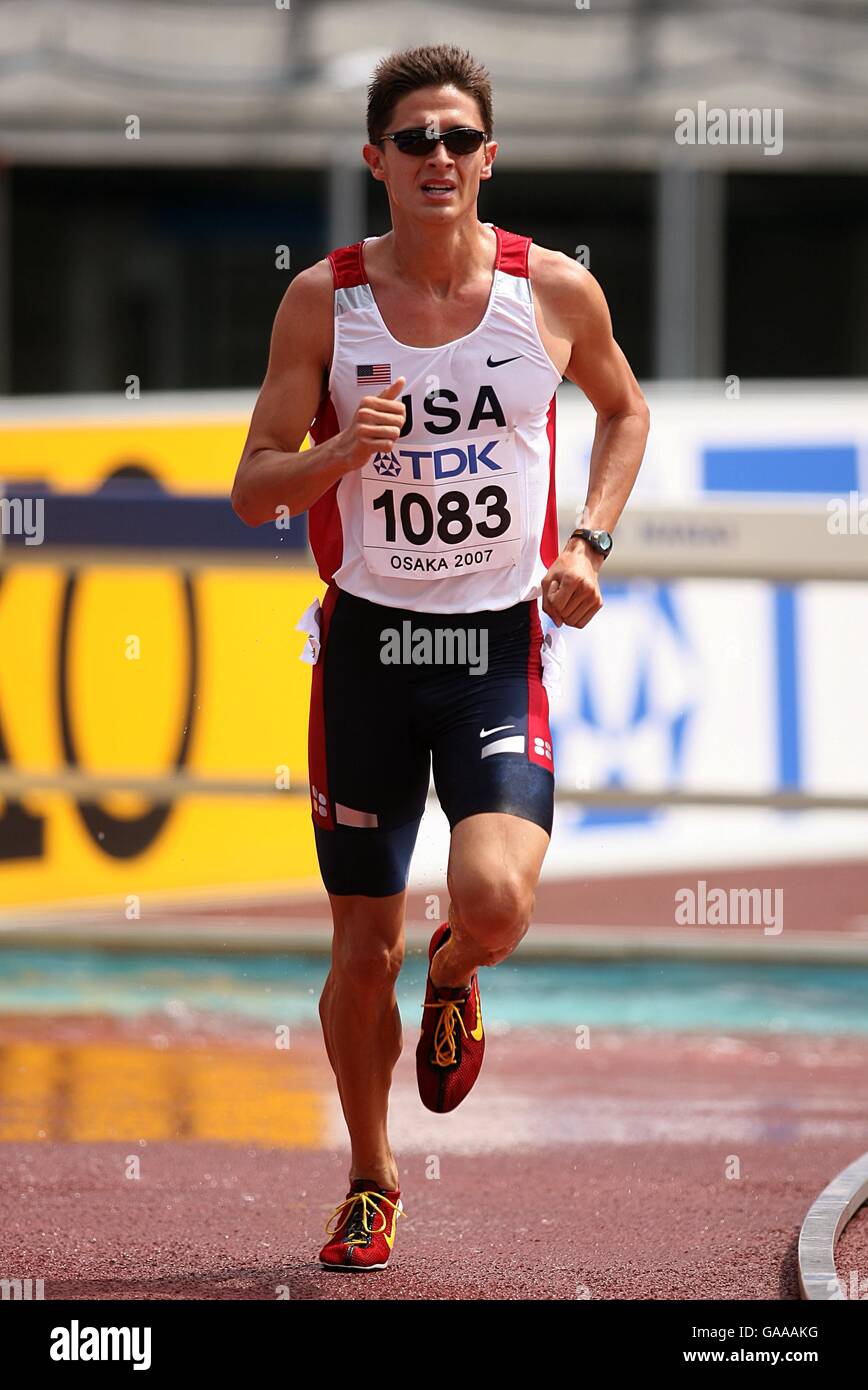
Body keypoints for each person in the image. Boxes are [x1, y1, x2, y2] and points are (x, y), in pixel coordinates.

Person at [231, 44, 649, 1272]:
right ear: (375, 160)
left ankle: (457, 970)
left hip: (491, 644)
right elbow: (254, 490)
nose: (437, 159)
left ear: (488, 158)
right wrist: (337, 455)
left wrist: (590, 541)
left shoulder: (553, 293)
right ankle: (370, 1174)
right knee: (359, 951)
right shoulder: (325, 300)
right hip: (365, 646)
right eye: (412, 140)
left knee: (495, 899)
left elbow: (624, 410)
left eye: (458, 139)